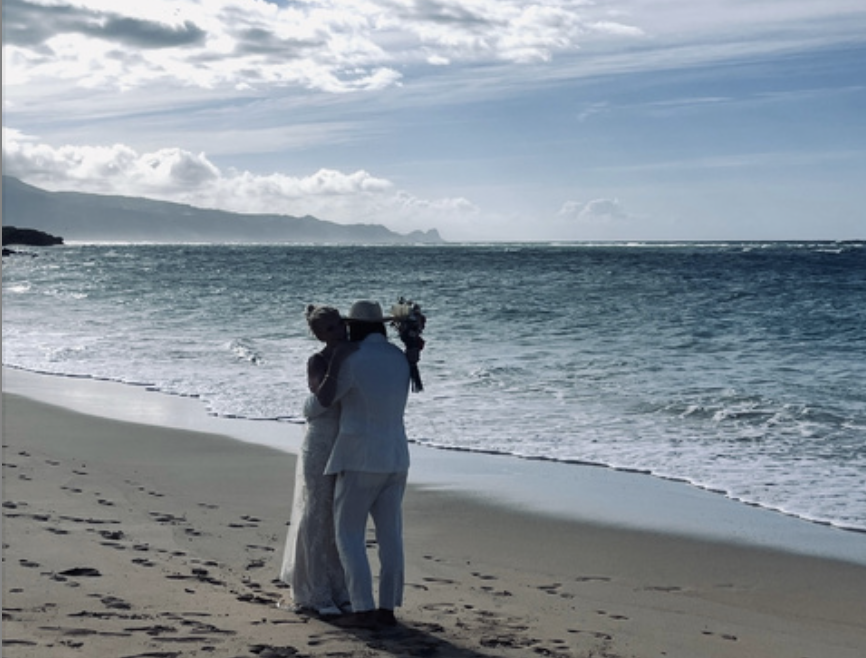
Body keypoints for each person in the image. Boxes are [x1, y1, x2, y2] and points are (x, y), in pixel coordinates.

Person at [308, 300, 411, 629]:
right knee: (391, 535)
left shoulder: (354, 359)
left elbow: (325, 401)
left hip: (359, 456)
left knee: (349, 534)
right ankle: (387, 609)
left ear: (355, 327)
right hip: (397, 456)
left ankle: (363, 607)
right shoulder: (399, 358)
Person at [279, 305, 354, 617]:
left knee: (338, 516)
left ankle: (339, 589)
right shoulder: (319, 360)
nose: (341, 331)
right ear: (321, 335)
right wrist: (336, 361)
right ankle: (313, 591)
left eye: (342, 324)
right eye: (333, 328)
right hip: (320, 444)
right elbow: (323, 398)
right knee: (315, 514)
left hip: (347, 441)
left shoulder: (356, 355)